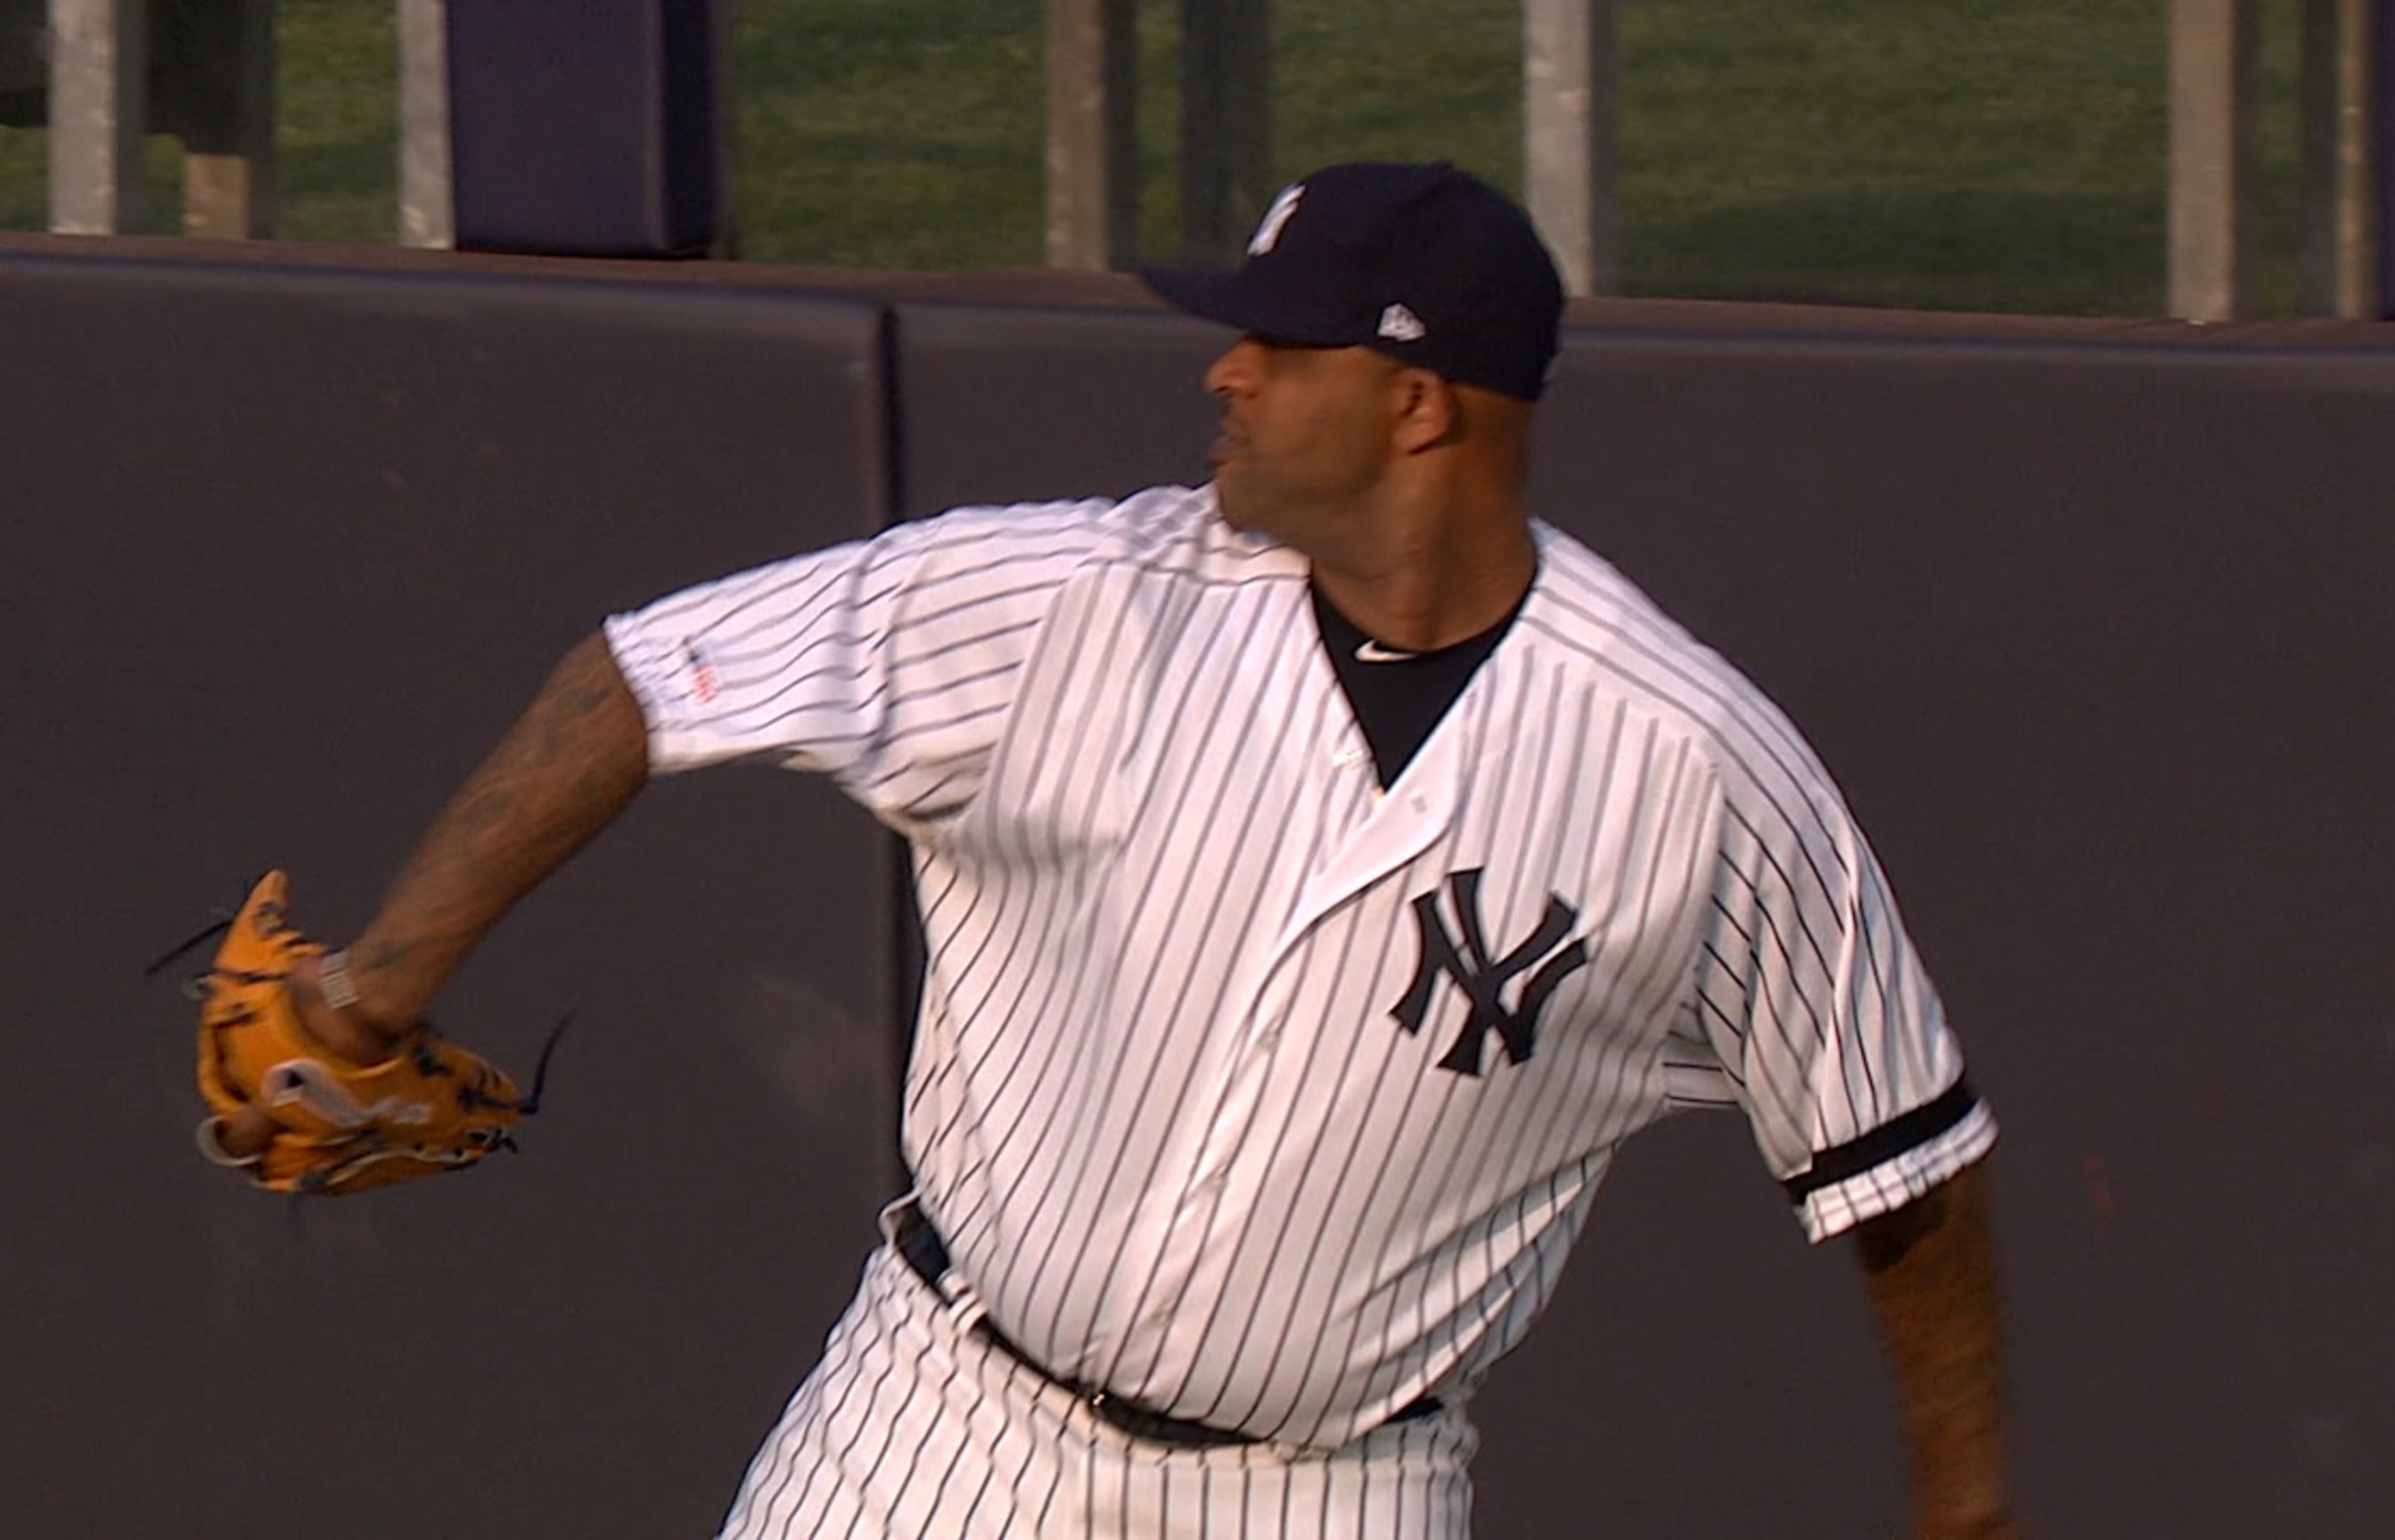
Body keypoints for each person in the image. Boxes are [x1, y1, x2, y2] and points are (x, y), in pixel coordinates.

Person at [218, 161, 2017, 1538]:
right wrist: (376, 986)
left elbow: (1902, 1168)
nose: (1224, 373)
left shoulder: (1689, 771)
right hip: (940, 1418)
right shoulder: (1074, 602)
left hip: (1329, 1494)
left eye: (1277, 344)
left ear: (1418, 405)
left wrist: (1970, 1517)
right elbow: (647, 678)